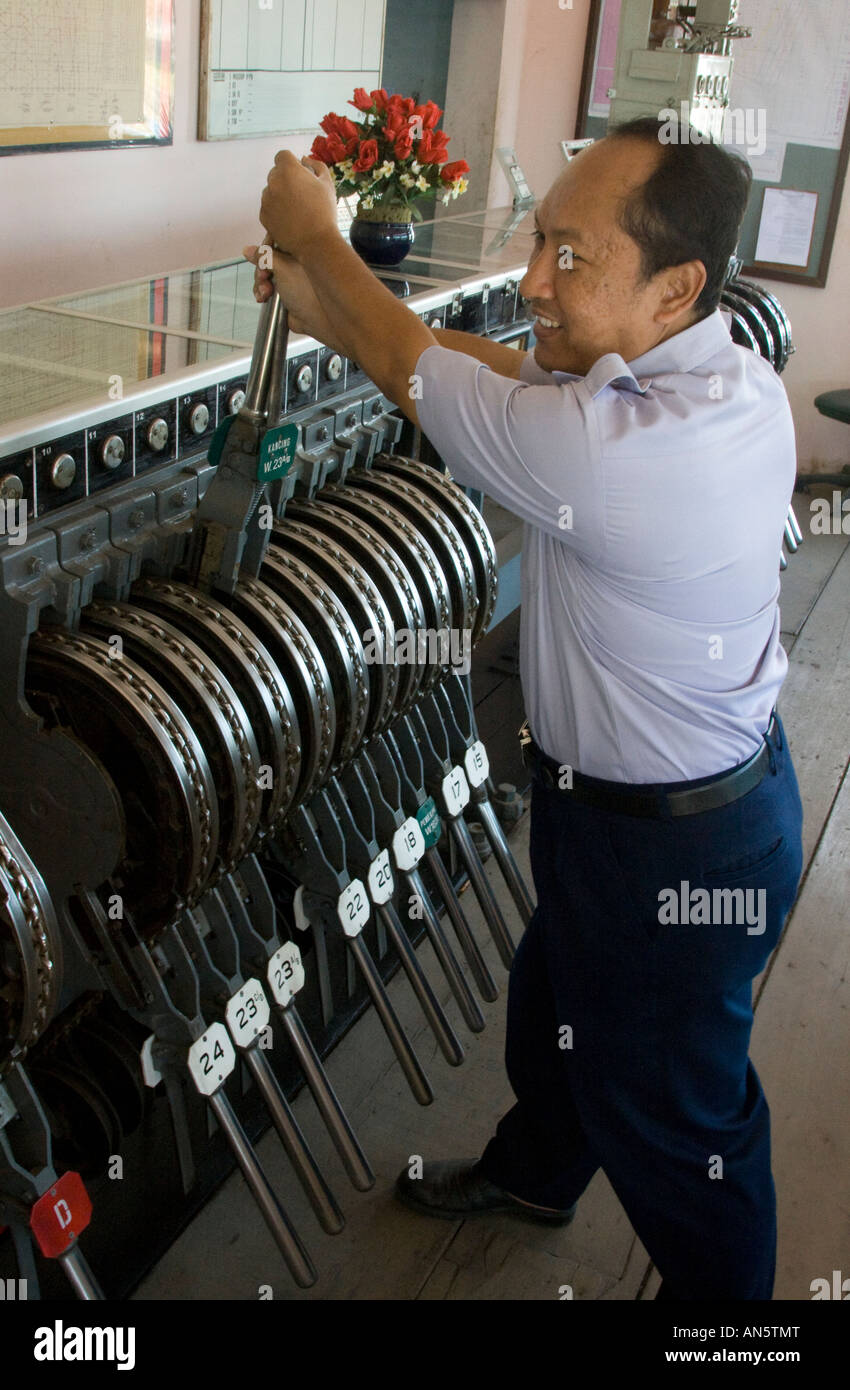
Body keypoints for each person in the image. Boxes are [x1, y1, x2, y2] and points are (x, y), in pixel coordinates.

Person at [247, 116, 804, 1300]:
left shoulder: (609, 457)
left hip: (668, 848)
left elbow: (424, 374)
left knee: (680, 1127)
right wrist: (326, 304)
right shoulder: (719, 374)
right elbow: (507, 370)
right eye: (538, 238)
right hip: (649, 809)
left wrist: (319, 242)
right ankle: (538, 1173)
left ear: (676, 285)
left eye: (572, 257)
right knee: (555, 1003)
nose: (535, 282)